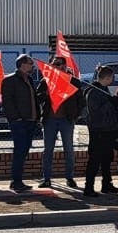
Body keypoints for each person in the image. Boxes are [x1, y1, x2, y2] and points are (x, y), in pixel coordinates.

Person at [1, 54, 44, 192]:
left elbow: (33, 99)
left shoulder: (29, 79)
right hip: (19, 122)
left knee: (24, 151)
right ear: (22, 64)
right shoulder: (10, 80)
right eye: (30, 63)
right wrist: (16, 118)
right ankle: (16, 181)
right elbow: (8, 102)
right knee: (20, 151)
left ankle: (17, 180)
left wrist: (37, 116)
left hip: (30, 121)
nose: (33, 66)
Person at [40, 56, 82, 189]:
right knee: (48, 150)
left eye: (57, 64)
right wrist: (46, 94)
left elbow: (81, 102)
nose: (55, 66)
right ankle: (46, 179)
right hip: (50, 120)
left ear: (64, 66)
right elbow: (37, 97)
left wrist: (74, 116)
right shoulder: (46, 80)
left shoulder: (73, 81)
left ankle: (70, 178)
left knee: (68, 149)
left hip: (66, 120)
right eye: (53, 64)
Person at [81, 65, 118, 197]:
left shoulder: (103, 89)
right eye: (112, 77)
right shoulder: (94, 91)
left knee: (107, 158)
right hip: (98, 131)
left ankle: (107, 184)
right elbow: (95, 112)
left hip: (107, 130)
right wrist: (109, 103)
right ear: (108, 77)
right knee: (95, 160)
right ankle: (88, 187)